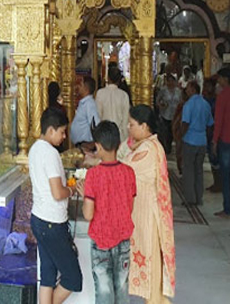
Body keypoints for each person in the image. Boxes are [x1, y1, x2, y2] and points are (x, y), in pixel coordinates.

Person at [76, 121, 136, 304]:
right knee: (122, 286)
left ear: (99, 147)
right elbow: (130, 207)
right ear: (118, 144)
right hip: (123, 238)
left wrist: (85, 195)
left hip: (101, 239)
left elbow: (88, 215)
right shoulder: (129, 172)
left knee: (104, 289)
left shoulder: (93, 175)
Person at [122, 105, 176, 303]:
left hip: (149, 218)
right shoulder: (146, 145)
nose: (128, 128)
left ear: (144, 126)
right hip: (145, 214)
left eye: (132, 124)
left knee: (152, 267)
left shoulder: (148, 150)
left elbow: (124, 169)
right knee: (152, 268)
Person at [29, 108, 82, 304]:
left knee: (48, 275)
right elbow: (58, 193)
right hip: (52, 222)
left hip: (38, 219)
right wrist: (73, 189)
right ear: (51, 130)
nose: (64, 136)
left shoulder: (34, 149)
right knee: (73, 278)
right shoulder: (50, 154)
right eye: (62, 132)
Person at [181, 81, 214, 206]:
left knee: (189, 170)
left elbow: (185, 123)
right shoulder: (206, 104)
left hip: (190, 139)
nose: (186, 91)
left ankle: (190, 198)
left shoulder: (188, 105)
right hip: (202, 141)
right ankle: (199, 197)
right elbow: (210, 124)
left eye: (188, 88)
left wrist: (181, 136)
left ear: (193, 89)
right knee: (199, 170)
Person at [212, 67, 230, 219]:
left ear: (225, 79)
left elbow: (218, 121)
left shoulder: (223, 96)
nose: (218, 81)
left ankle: (227, 209)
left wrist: (214, 140)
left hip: (225, 140)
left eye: (220, 78)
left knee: (226, 176)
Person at [96, 66, 131, 142]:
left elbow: (98, 116)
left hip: (104, 134)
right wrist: (125, 138)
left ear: (108, 78)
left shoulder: (100, 93)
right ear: (119, 80)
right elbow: (125, 119)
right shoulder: (124, 95)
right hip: (120, 135)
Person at [70, 76, 100, 148]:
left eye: (81, 85)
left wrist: (93, 143)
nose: (78, 87)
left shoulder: (89, 104)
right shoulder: (84, 103)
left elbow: (94, 123)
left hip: (86, 144)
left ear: (86, 88)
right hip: (81, 144)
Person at [203, 77, 221, 192]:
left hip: (215, 132)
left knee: (216, 158)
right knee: (211, 158)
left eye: (208, 86)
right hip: (206, 132)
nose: (206, 88)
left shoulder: (216, 101)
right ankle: (216, 182)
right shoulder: (204, 100)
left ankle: (219, 183)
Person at [156, 74, 181, 154]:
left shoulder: (178, 91)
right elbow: (157, 101)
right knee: (166, 132)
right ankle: (167, 147)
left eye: (172, 81)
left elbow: (181, 102)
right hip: (165, 114)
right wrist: (161, 105)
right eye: (169, 81)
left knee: (174, 132)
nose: (170, 83)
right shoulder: (163, 90)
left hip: (175, 115)